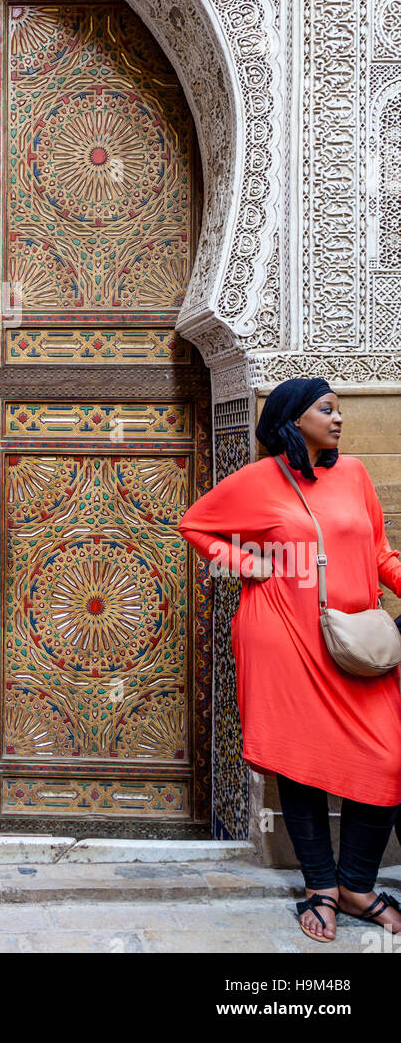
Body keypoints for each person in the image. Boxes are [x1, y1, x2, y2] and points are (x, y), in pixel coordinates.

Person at [179, 377, 401, 943]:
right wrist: (245, 565)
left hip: (354, 644)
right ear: (293, 418)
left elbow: (379, 552)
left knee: (385, 761)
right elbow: (195, 526)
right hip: (283, 636)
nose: (339, 419)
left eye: (339, 410)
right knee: (301, 766)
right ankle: (322, 889)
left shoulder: (352, 474)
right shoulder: (260, 479)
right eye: (326, 409)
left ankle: (356, 882)